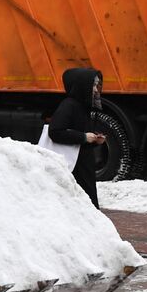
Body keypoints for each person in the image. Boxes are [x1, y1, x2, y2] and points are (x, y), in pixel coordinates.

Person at [48, 67, 106, 208]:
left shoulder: (83, 105)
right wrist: (84, 137)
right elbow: (55, 132)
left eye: (97, 85)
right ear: (81, 85)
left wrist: (95, 140)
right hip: (74, 165)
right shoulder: (68, 105)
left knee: (87, 202)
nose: (95, 90)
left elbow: (81, 131)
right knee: (82, 203)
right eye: (92, 85)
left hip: (83, 162)